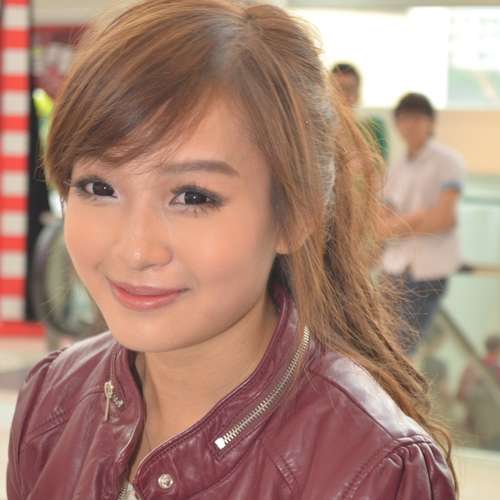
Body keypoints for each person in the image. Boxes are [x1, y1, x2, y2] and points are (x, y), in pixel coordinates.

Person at [8, 1, 456, 498]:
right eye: (99, 188)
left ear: (295, 215)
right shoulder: (53, 400)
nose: (135, 249)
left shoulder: (375, 471)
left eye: (192, 197)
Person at [379, 93, 466, 355]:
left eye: (417, 118)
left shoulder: (448, 161)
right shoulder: (396, 168)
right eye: (404, 118)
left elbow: (444, 219)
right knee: (381, 347)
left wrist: (399, 225)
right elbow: (379, 226)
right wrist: (418, 218)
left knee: (402, 353)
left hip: (428, 271)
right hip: (393, 268)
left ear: (430, 122)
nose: (410, 125)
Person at [331, 62, 389, 163]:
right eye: (338, 89)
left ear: (358, 93)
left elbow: (381, 166)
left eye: (349, 89)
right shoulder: (321, 132)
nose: (343, 95)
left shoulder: (374, 128)